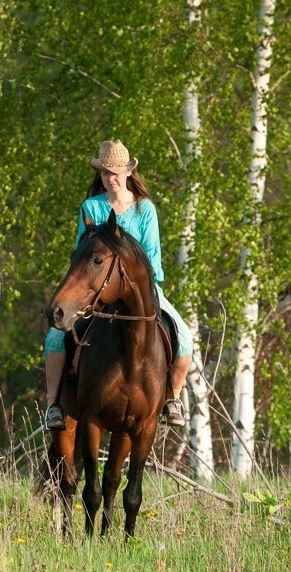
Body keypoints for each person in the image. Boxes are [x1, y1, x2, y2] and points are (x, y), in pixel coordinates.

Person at [44, 140, 192, 430]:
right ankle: (53, 405)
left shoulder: (144, 210)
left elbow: (152, 258)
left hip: (141, 291)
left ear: (127, 173)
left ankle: (172, 398)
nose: (109, 178)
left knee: (185, 338)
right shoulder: (92, 207)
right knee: (54, 336)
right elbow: (82, 251)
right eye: (104, 173)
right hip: (97, 290)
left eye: (114, 173)